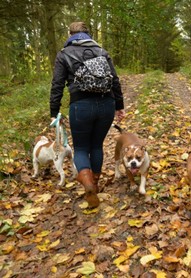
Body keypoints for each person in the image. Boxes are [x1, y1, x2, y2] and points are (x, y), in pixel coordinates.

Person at [50, 22, 126, 208]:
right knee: (96, 146)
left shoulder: (64, 54)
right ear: (88, 34)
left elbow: (57, 85)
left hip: (80, 106)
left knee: (82, 148)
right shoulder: (102, 51)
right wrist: (119, 106)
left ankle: (88, 183)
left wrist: (54, 112)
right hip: (106, 104)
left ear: (70, 34)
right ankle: (96, 183)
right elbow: (114, 81)